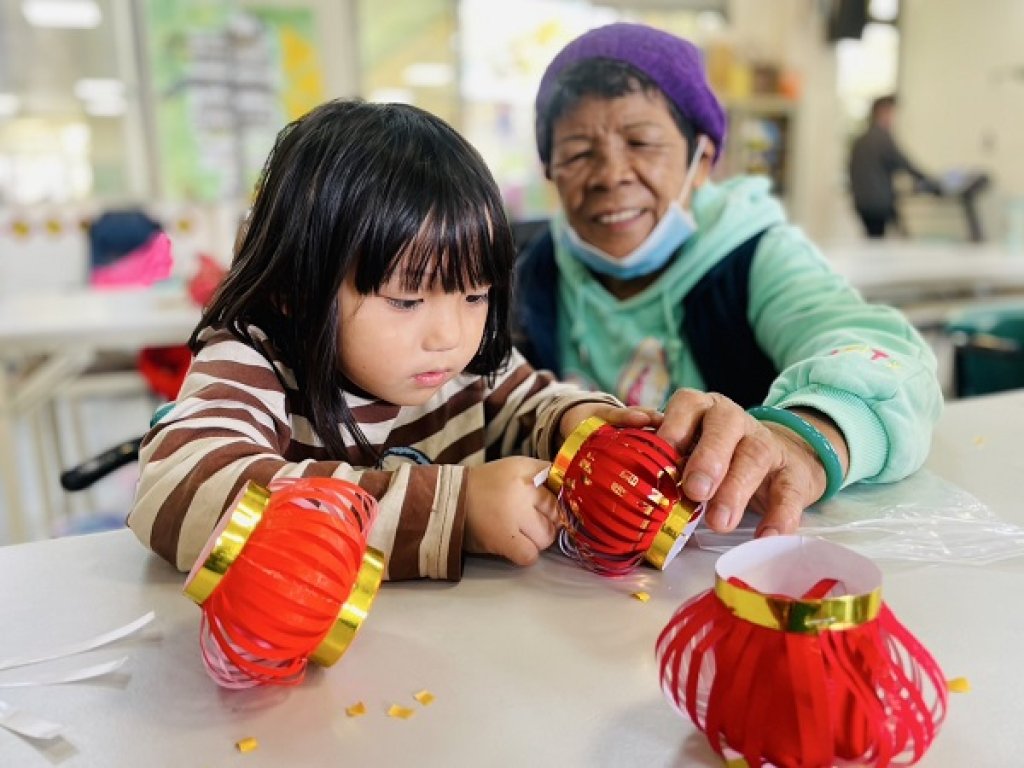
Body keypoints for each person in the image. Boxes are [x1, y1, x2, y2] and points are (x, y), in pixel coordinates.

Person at [127, 98, 662, 580]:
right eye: (406, 301)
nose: (450, 336)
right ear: (296, 285)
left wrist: (583, 427)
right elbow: (179, 489)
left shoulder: (468, 366)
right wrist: (457, 512)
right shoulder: (256, 359)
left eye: (475, 296)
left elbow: (534, 406)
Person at [515, 23, 943, 538]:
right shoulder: (529, 273)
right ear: (550, 171)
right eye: (579, 152)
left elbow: (888, 361)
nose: (611, 174)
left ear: (703, 160)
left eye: (642, 142)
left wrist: (804, 441)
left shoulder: (752, 253)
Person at [849, 94, 942, 238]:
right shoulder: (882, 138)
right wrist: (931, 182)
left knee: (874, 238)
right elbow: (903, 163)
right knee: (887, 238)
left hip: (862, 202)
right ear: (883, 112)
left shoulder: (860, 140)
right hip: (878, 202)